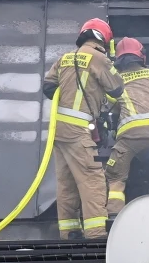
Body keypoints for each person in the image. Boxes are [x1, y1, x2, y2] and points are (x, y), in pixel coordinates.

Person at [41, 18, 126, 239]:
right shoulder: (99, 58)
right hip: (78, 129)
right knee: (93, 178)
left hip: (59, 131)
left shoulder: (65, 57)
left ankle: (69, 232)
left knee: (67, 180)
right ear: (104, 39)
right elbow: (117, 89)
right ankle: (96, 233)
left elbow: (49, 87)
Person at [105, 37, 149, 218]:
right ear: (141, 56)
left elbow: (112, 107)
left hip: (131, 134)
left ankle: (114, 218)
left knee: (115, 176)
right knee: (148, 142)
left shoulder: (117, 81)